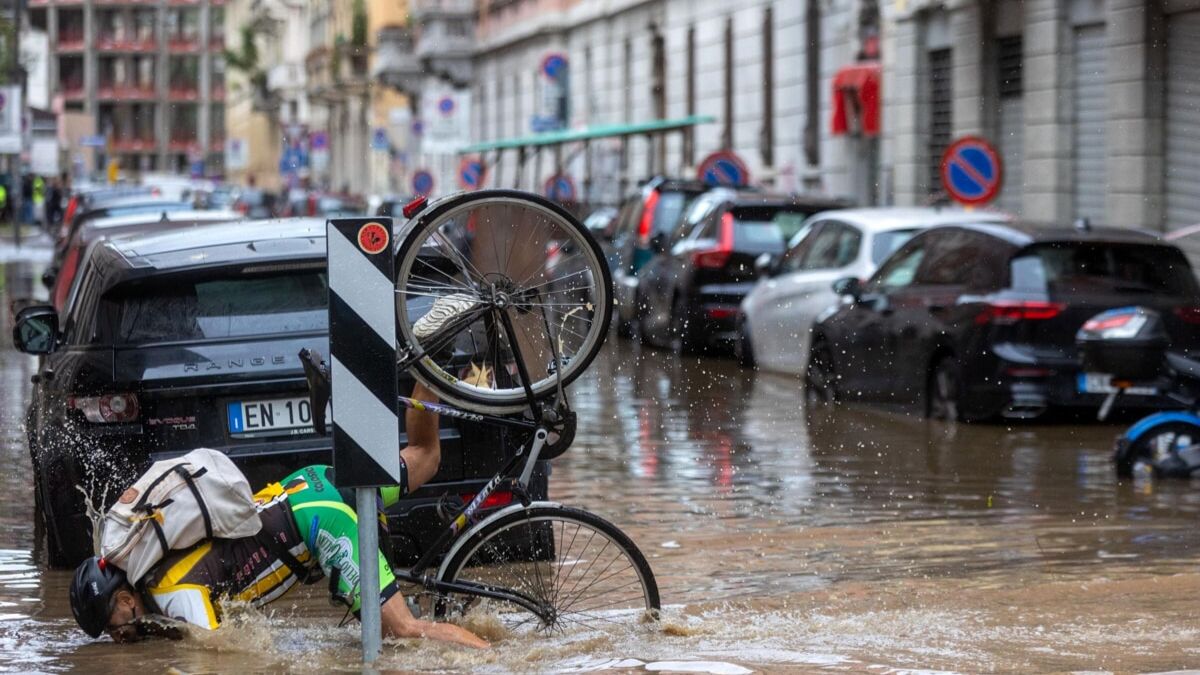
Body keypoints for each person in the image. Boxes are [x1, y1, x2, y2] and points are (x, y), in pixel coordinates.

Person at [68, 373, 490, 649]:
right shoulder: (160, 568)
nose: (118, 636)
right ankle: (431, 365)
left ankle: (502, 661)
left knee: (404, 631)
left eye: (113, 624)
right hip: (309, 485)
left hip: (320, 521)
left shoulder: (171, 593)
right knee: (425, 455)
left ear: (125, 597)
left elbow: (219, 654)